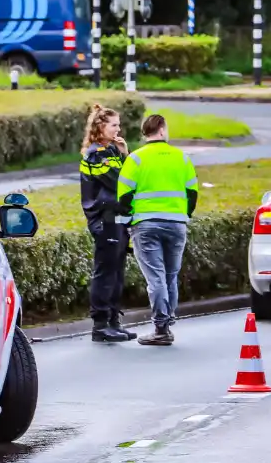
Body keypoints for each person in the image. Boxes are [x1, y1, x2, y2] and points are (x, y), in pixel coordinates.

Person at [116, 114, 198, 346]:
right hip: (176, 224)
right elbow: (192, 193)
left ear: (145, 134)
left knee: (156, 278)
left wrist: (127, 222)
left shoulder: (135, 159)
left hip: (146, 224)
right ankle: (167, 322)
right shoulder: (182, 158)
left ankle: (161, 327)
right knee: (170, 275)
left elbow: (123, 196)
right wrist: (184, 214)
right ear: (161, 130)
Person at [79, 104, 136, 343]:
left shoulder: (109, 151)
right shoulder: (97, 154)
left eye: (118, 124)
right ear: (100, 126)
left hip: (117, 220)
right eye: (114, 124)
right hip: (106, 220)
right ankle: (101, 325)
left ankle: (113, 321)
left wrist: (122, 152)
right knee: (105, 273)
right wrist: (124, 157)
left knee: (116, 273)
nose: (118, 129)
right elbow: (121, 182)